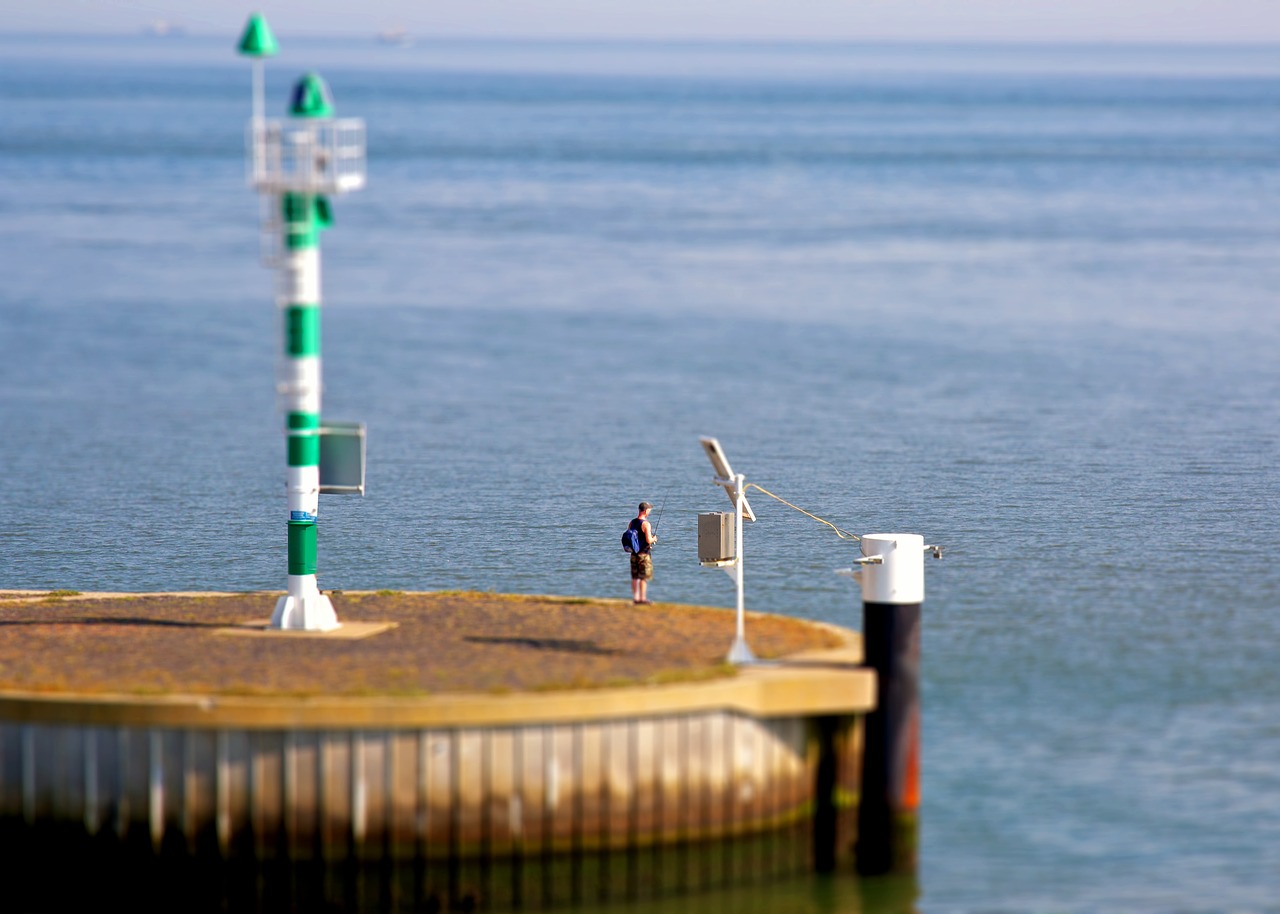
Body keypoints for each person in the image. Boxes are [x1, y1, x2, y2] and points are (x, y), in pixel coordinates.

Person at [628, 502, 658, 605]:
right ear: (645, 511)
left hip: (633, 554)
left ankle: (635, 598)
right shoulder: (646, 524)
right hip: (643, 554)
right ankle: (642, 599)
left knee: (635, 577)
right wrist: (654, 538)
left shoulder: (632, 522)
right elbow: (649, 540)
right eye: (649, 510)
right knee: (643, 577)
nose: (650, 512)